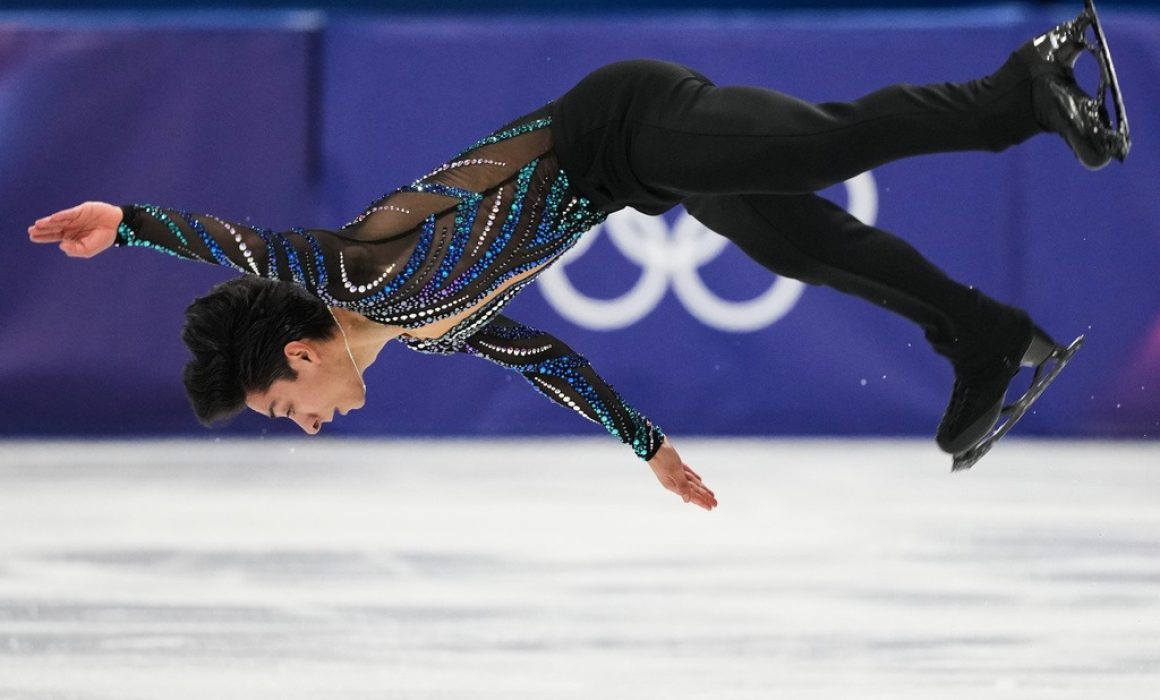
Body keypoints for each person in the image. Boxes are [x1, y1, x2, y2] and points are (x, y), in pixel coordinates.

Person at [28, 3, 1128, 511]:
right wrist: (646, 447)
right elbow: (545, 356)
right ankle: (984, 339)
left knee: (819, 148)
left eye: (282, 405)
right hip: (640, 174)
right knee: (809, 245)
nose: (301, 424)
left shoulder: (348, 273)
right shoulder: (432, 327)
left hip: (620, 121)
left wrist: (123, 217)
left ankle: (1020, 87)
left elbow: (240, 242)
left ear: (300, 349)